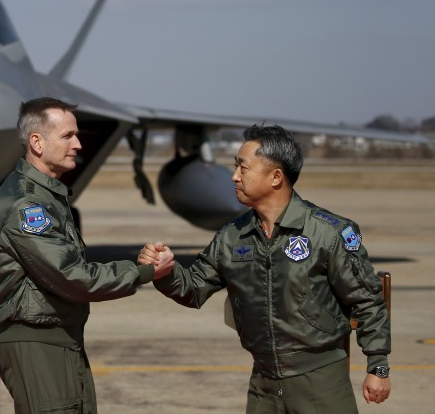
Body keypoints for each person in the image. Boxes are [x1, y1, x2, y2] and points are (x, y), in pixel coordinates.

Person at [139, 124, 391, 413]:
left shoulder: (328, 232)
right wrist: (165, 272)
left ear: (275, 177)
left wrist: (378, 367)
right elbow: (193, 289)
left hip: (321, 383)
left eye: (243, 168)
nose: (233, 176)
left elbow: (368, 300)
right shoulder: (232, 236)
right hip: (263, 384)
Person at [0, 97, 173, 414]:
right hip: (39, 344)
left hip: (59, 339)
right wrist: (144, 271)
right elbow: (73, 276)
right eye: (68, 136)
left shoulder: (45, 196)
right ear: (37, 142)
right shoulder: (26, 206)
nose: (78, 144)